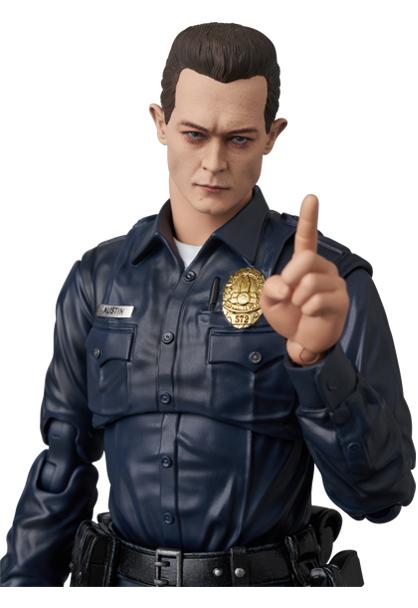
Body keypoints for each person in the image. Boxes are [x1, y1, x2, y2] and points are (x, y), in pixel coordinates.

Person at [0, 21, 415, 587]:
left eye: (239, 139)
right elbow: (60, 467)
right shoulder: (98, 279)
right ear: (160, 123)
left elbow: (382, 495)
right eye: (195, 134)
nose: (214, 162)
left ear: (271, 135)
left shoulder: (324, 285)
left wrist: (318, 364)